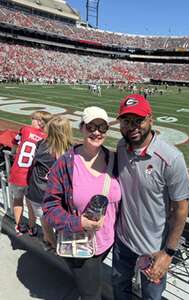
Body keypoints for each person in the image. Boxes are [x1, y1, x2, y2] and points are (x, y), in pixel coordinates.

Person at [112, 94, 189, 300]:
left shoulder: (171, 158)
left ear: (150, 119)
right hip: (123, 242)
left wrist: (169, 253)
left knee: (152, 297)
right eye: (127, 121)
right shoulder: (121, 147)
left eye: (138, 120)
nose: (133, 126)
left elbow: (181, 209)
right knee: (119, 290)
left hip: (154, 249)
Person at [42, 106, 121, 300]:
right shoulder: (66, 163)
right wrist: (79, 223)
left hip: (107, 242)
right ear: (82, 128)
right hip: (80, 245)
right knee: (92, 295)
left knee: (89, 285)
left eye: (102, 127)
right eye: (91, 126)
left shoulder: (114, 159)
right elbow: (49, 207)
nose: (96, 132)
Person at [26, 116, 73, 250]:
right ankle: (56, 245)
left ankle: (51, 244)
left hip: (38, 191)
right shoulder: (72, 150)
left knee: (45, 222)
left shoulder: (41, 144)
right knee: (60, 221)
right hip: (58, 194)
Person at [9, 111, 52, 236]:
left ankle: (19, 225)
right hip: (32, 176)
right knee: (31, 203)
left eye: (33, 119)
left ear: (39, 122)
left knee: (17, 199)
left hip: (18, 172)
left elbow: (14, 142)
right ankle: (32, 227)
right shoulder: (45, 138)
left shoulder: (26, 130)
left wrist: (13, 152)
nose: (31, 120)